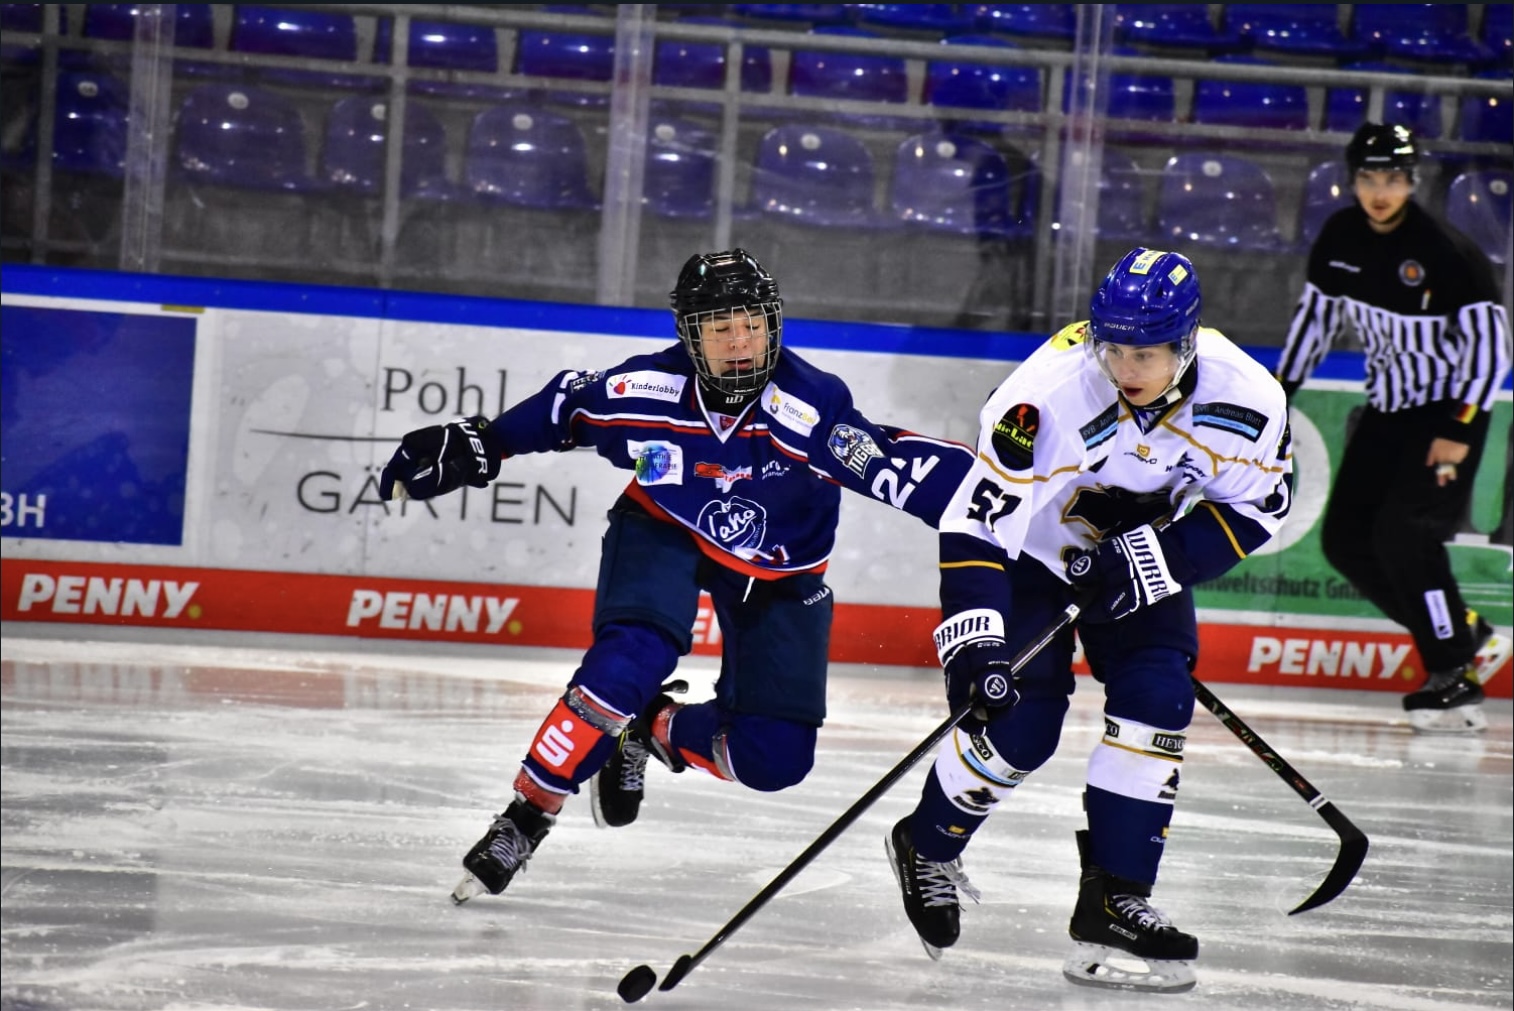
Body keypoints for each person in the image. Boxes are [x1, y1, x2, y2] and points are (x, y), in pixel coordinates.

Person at [377, 249, 974, 903]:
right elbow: (564, 406)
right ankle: (527, 812)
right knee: (627, 659)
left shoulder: (812, 406)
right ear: (691, 337)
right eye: (720, 328)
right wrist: (480, 442)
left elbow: (895, 464)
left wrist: (1011, 501)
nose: (740, 342)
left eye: (751, 323)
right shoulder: (646, 392)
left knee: (774, 758)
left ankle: (651, 726)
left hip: (776, 573)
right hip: (664, 528)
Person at [884, 247, 1294, 993]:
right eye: (1113, 348)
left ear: (1187, 342)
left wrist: (1155, 560)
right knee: (1020, 725)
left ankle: (1115, 894)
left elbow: (1262, 506)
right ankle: (927, 840)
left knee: (1157, 695)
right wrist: (974, 647)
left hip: (1143, 560)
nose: (1126, 367)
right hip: (1033, 555)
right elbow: (978, 525)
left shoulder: (1249, 398)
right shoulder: (1042, 397)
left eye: (1146, 352)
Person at [1277, 122, 1513, 734]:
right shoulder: (1340, 237)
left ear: (1410, 182)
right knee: (1347, 542)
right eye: (1369, 178)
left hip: (1446, 415)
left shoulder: (1444, 252)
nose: (1381, 191)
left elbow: (1492, 351)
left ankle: (1454, 669)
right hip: (1388, 411)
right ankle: (1463, 634)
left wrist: (1461, 428)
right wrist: (1280, 392)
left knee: (1407, 533)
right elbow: (1316, 321)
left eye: (1393, 179)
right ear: (1352, 181)